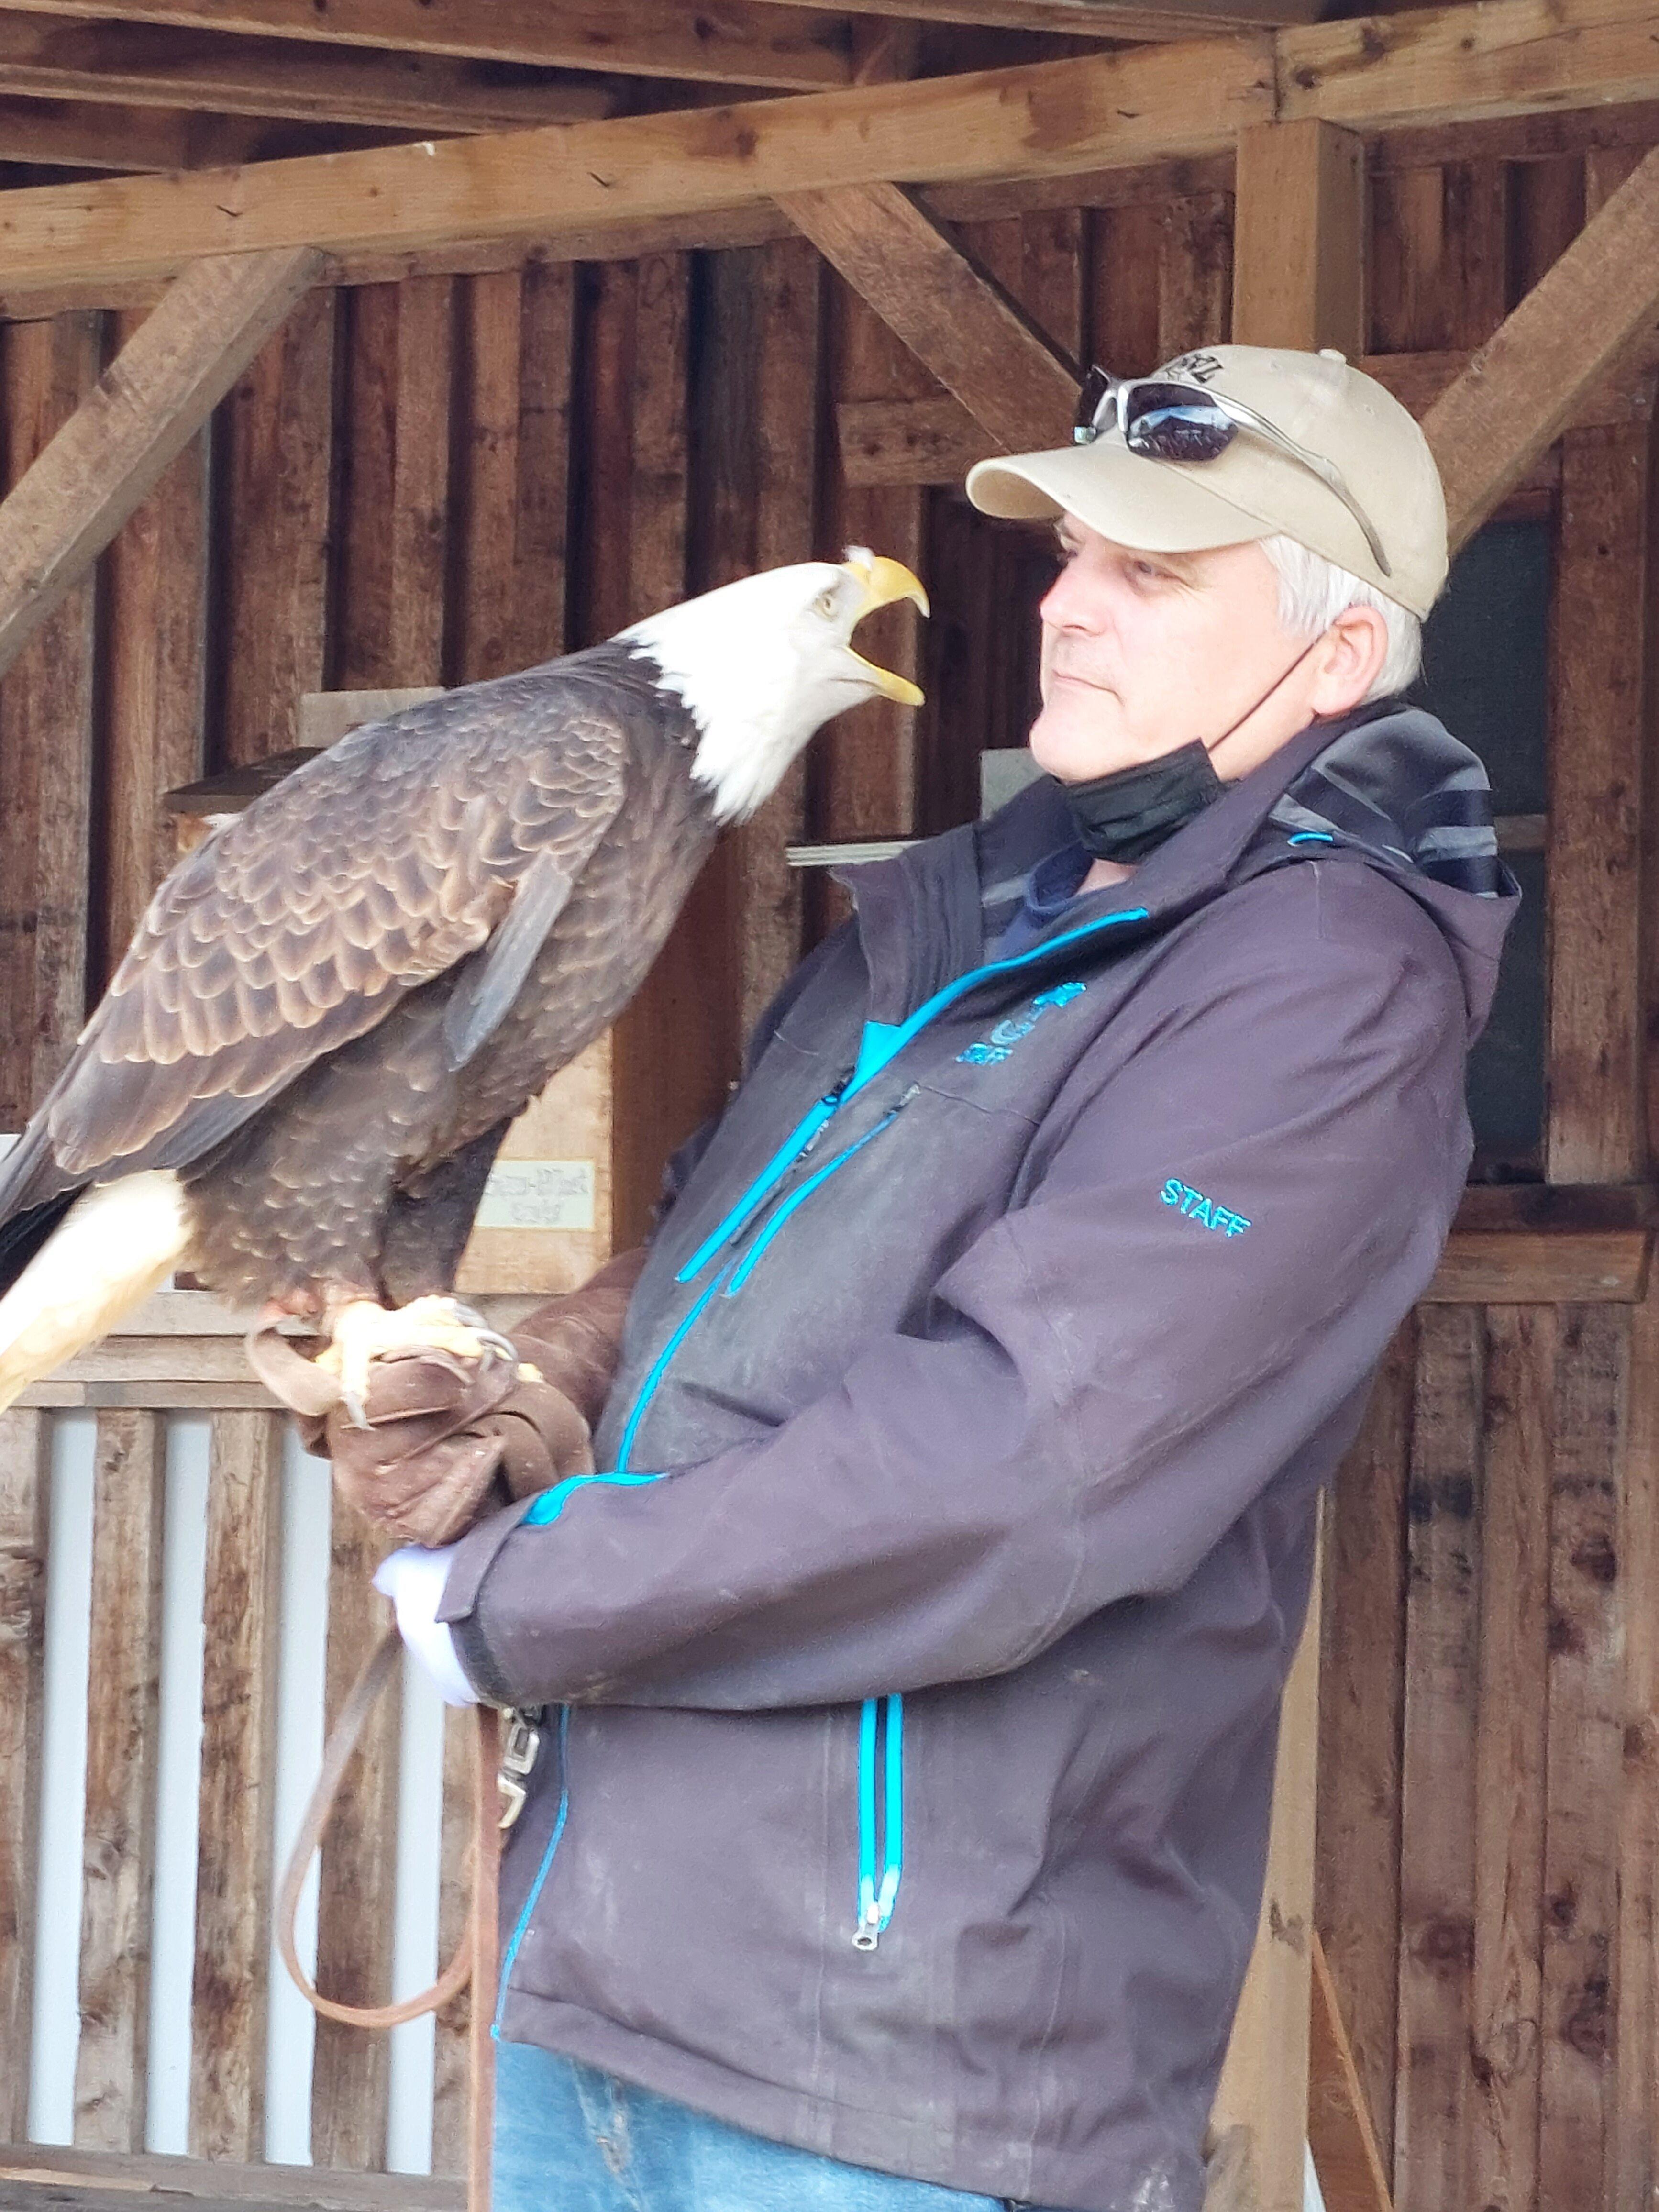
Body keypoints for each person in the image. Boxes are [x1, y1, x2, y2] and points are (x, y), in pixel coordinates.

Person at [329, 344, 1517, 2212]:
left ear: (1339, 655)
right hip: (615, 1996)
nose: (1065, 605)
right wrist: (533, 1386)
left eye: (1155, 571)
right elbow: (729, 1247)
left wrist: (521, 1596)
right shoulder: (972, 909)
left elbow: (1014, 1469)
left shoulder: (1316, 990)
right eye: (1070, 555)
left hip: (910, 2081)